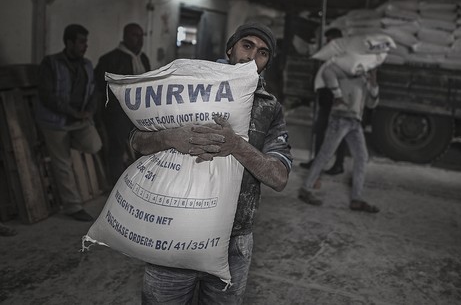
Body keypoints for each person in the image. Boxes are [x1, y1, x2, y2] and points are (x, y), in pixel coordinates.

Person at [131, 22, 292, 304]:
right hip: (176, 228)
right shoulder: (189, 87)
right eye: (247, 45)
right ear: (230, 48)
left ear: (267, 62)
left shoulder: (268, 107)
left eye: (263, 52)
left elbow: (279, 177)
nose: (252, 57)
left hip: (235, 240)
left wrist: (237, 146)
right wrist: (170, 137)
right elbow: (135, 141)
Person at [36, 24, 102, 222]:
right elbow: (47, 96)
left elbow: (94, 91)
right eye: (81, 42)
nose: (85, 46)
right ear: (69, 42)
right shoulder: (50, 63)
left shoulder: (87, 65)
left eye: (86, 42)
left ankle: (59, 143)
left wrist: (89, 111)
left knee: (94, 144)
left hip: (78, 121)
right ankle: (73, 207)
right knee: (62, 163)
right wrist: (74, 113)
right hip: (55, 121)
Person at [298, 60, 380, 213]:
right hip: (340, 119)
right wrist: (337, 93)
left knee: (362, 157)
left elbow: (371, 104)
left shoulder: (364, 79)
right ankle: (305, 188)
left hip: (355, 122)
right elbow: (327, 72)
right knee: (325, 155)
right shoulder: (346, 72)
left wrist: (373, 82)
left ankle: (356, 199)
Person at [94, 23, 150, 186]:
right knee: (117, 149)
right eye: (134, 35)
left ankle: (139, 183)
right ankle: (116, 185)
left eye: (141, 36)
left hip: (140, 112)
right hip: (117, 113)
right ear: (125, 36)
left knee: (142, 146)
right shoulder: (109, 59)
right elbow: (99, 86)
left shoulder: (143, 58)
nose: (139, 40)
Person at [300, 28, 347, 176]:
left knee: (338, 133)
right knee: (320, 130)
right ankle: (317, 160)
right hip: (325, 99)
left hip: (336, 99)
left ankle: (339, 164)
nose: (328, 43)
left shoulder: (344, 55)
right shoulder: (328, 54)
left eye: (330, 40)